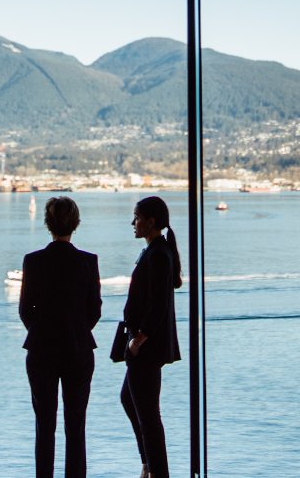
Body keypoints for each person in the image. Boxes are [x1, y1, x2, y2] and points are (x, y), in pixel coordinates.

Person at [19, 197, 101, 478]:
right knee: (76, 426)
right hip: (78, 349)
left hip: (41, 349)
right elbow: (94, 310)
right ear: (75, 223)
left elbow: (24, 309)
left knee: (44, 425)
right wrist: (77, 328)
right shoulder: (88, 262)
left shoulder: (33, 261)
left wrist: (41, 329)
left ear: (47, 223)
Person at [120, 196, 182, 478]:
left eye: (137, 217)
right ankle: (149, 464)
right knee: (131, 400)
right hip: (143, 345)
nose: (133, 223)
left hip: (145, 347)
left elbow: (157, 305)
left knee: (148, 413)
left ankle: (155, 469)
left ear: (151, 221)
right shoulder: (155, 251)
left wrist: (139, 339)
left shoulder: (157, 254)